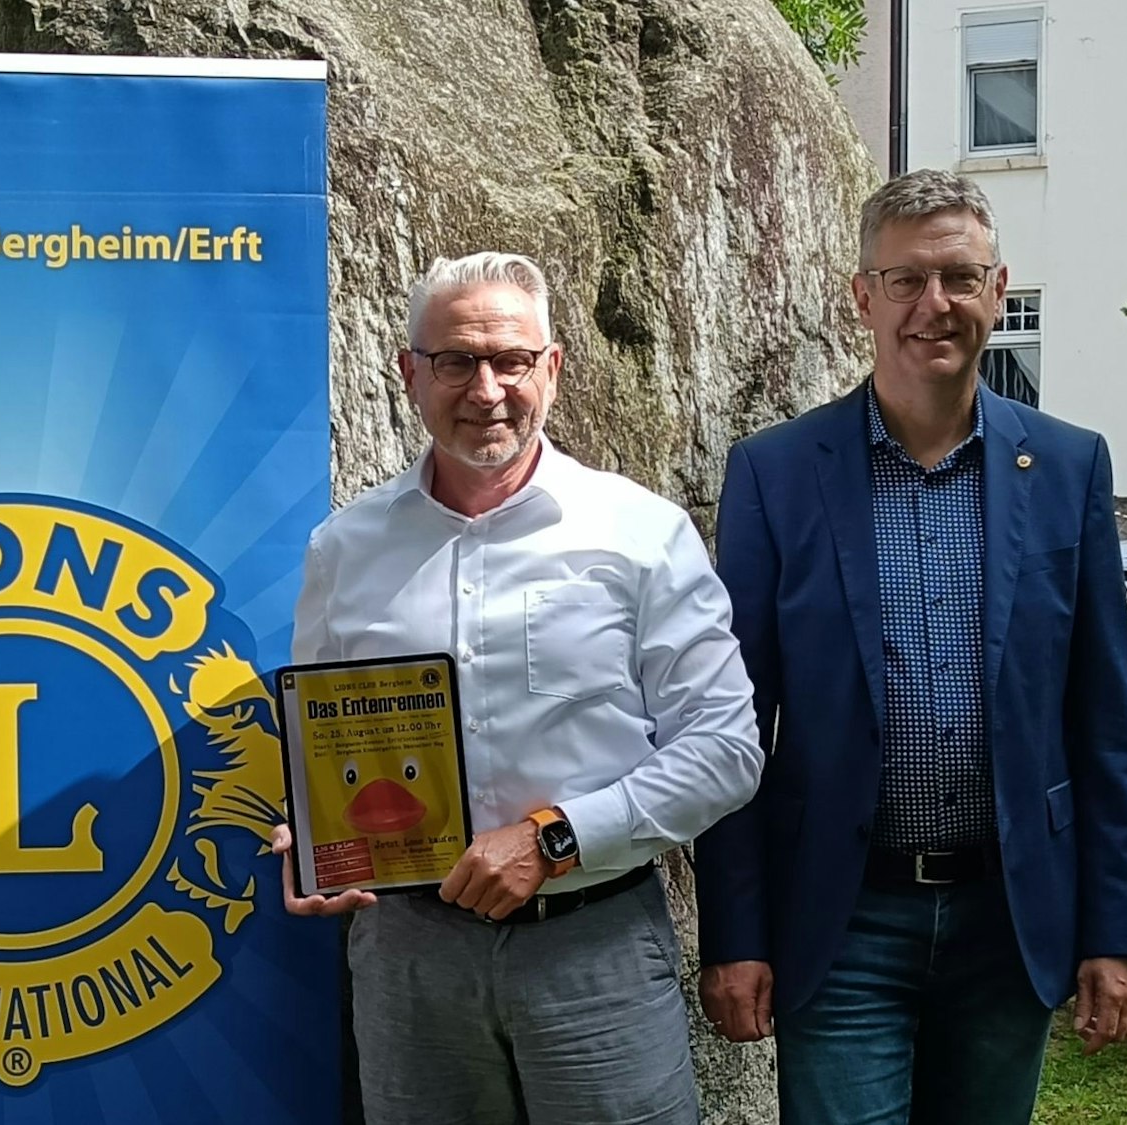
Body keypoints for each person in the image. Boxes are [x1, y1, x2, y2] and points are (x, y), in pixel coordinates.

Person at [696, 169, 1127, 1124]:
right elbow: (732, 724)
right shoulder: (775, 473)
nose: (932, 305)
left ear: (998, 291)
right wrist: (734, 934)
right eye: (905, 281)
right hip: (844, 916)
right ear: (863, 297)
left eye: (958, 277)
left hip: (1011, 913)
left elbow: (1104, 723)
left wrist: (1121, 930)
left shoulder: (1069, 466)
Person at [275, 251, 764, 1124]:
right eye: (457, 360)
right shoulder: (343, 549)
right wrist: (310, 833)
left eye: (512, 361)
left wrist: (555, 839)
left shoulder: (642, 533)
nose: (487, 388)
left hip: (594, 946)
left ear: (554, 368)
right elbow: (321, 744)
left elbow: (726, 751)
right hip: (409, 956)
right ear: (409, 373)